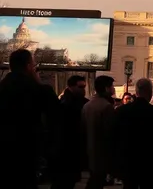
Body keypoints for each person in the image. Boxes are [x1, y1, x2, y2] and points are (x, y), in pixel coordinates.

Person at [0, 49, 59, 189]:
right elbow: (56, 117)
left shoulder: (2, 88)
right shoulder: (39, 90)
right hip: (28, 150)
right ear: (28, 66)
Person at [112, 78, 153, 189]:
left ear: (136, 92)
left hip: (127, 160)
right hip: (149, 162)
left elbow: (114, 137)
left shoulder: (122, 111)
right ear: (150, 93)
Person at [50, 75, 89, 189]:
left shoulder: (68, 101)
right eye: (81, 87)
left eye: (84, 87)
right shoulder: (68, 104)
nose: (83, 89)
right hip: (67, 151)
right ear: (71, 87)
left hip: (66, 151)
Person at [82, 75, 116, 189]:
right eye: (112, 86)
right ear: (106, 88)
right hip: (101, 152)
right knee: (97, 182)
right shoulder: (106, 106)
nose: (114, 89)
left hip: (89, 150)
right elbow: (110, 132)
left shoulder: (87, 105)